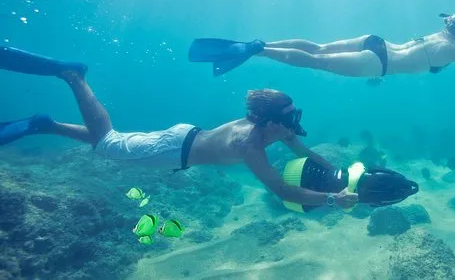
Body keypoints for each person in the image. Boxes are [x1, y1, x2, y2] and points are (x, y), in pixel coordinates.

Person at [0, 46, 359, 210]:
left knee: (110, 141)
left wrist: (337, 173)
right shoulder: (249, 144)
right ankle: (74, 77)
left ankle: (45, 125)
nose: (295, 121)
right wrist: (332, 200)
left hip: (186, 136)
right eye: (289, 115)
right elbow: (282, 190)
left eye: (294, 114)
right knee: (108, 144)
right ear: (270, 120)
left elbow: (304, 152)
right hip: (175, 151)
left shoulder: (278, 128)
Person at [189, 11, 455, 86]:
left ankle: (260, 43)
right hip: (377, 63)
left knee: (317, 48)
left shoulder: (444, 38)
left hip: (375, 42)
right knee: (315, 62)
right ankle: (257, 51)